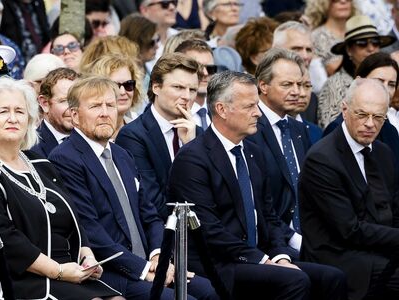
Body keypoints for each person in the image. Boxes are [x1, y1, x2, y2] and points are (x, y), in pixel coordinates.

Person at [167, 71, 347, 300]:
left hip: (256, 256)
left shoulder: (253, 152)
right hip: (218, 264)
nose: (258, 113)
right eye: (250, 106)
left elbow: (269, 217)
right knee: (295, 280)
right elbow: (208, 231)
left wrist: (281, 255)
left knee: (332, 277)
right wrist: (263, 260)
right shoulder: (193, 159)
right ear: (222, 109)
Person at [0, 77, 121, 299]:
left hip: (62, 269)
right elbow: (2, 238)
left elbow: (72, 218)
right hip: (8, 276)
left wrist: (86, 256)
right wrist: (59, 271)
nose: (13, 118)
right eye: (4, 111)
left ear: (29, 120)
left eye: (20, 111)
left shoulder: (40, 163)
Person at [48, 75, 218, 299]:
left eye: (110, 105)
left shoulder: (122, 154)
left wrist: (159, 257)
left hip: (150, 263)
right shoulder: (64, 158)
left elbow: (149, 214)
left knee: (212, 291)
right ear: (75, 115)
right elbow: (90, 230)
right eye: (95, 106)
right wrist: (145, 270)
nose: (105, 113)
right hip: (110, 271)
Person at [300, 77, 399, 299]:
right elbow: (349, 230)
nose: (370, 124)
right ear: (344, 109)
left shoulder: (383, 152)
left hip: (378, 248)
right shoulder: (322, 159)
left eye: (378, 117)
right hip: (341, 255)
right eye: (362, 114)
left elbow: (394, 207)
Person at [115, 53, 200, 220]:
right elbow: (152, 201)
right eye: (178, 87)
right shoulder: (133, 136)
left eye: (192, 90)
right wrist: (189, 152)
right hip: (161, 235)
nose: (187, 96)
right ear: (156, 87)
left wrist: (191, 144)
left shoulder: (198, 134)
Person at [245, 48, 312, 255]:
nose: (297, 92)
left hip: (309, 235)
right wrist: (294, 240)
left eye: (299, 85)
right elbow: (256, 201)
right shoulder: (249, 128)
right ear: (263, 86)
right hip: (271, 242)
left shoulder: (299, 129)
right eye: (287, 85)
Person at [318, 15, 396, 128]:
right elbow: (331, 128)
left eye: (375, 42)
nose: (371, 48)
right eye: (362, 43)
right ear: (349, 49)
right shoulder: (335, 85)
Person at [82, 55, 144, 133]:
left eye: (128, 84)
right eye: (115, 86)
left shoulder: (140, 127)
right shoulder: (88, 131)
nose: (122, 92)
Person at [31, 67, 77, 158]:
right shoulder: (31, 148)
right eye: (64, 100)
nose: (73, 108)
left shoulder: (93, 140)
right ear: (44, 103)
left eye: (77, 100)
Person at [306, 0, 356, 78]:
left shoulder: (357, 31)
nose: (343, 2)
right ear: (323, 4)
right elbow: (332, 70)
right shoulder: (317, 36)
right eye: (336, 0)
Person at [175, 40, 216, 130]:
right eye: (198, 68)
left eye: (210, 68)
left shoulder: (222, 111)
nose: (205, 73)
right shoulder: (170, 114)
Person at [139, 0, 179, 70]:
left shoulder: (181, 37)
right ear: (145, 10)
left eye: (174, 2)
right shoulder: (138, 41)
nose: (172, 7)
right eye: (165, 4)